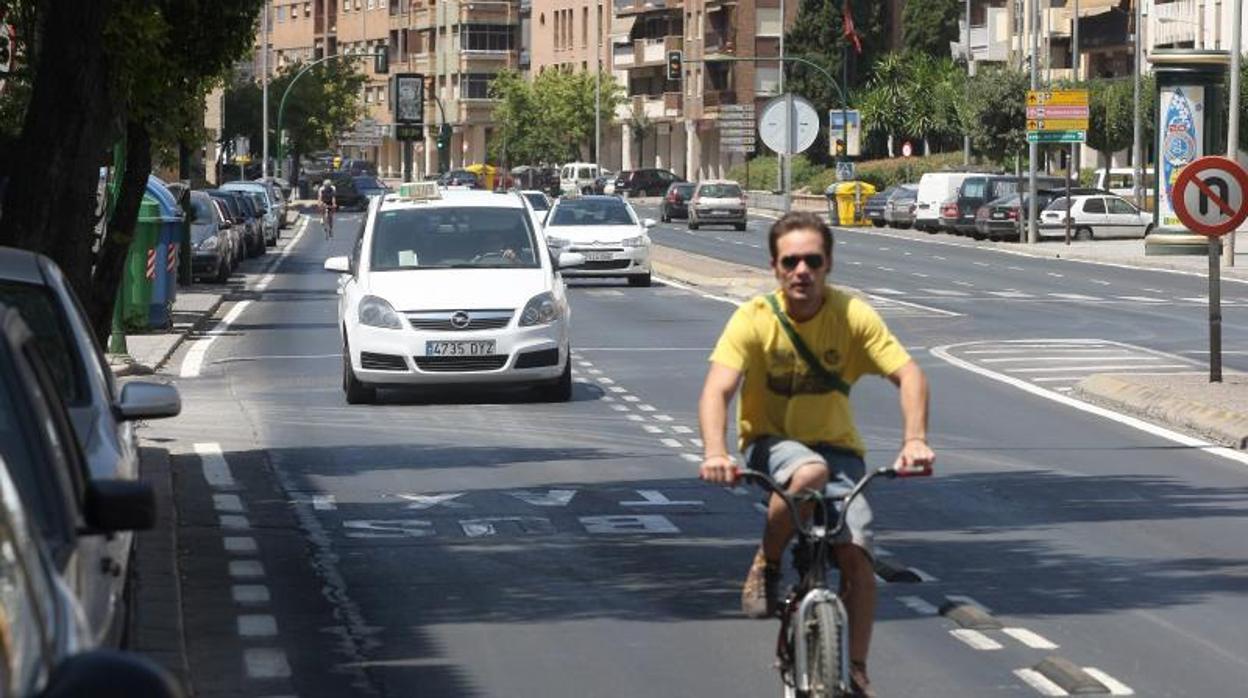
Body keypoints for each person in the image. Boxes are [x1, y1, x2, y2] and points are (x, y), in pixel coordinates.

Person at [698, 211, 934, 698]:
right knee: (808, 472)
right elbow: (718, 390)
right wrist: (716, 451)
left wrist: (915, 440)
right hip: (770, 444)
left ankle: (857, 670)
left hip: (842, 452)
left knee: (857, 558)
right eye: (791, 261)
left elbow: (909, 375)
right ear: (775, 267)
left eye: (812, 260)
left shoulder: (851, 315)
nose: (801, 270)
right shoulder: (754, 319)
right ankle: (766, 561)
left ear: (828, 264)